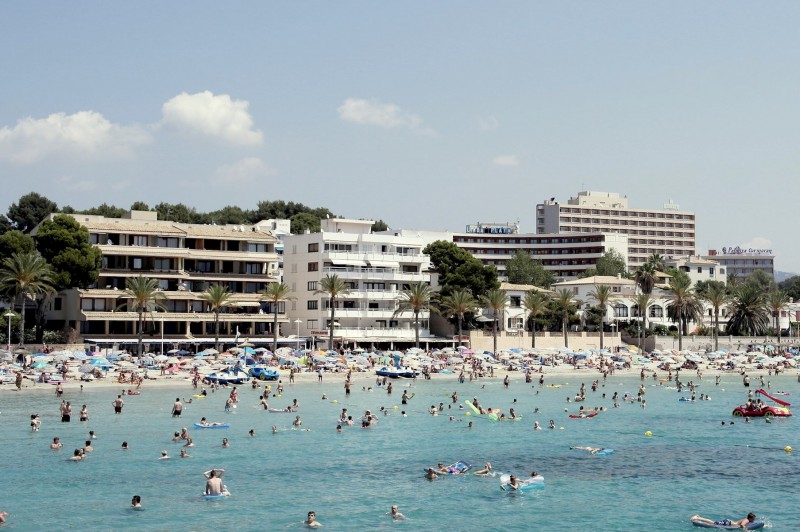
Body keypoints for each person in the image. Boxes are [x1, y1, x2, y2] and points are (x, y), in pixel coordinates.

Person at [690, 513, 756, 529]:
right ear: (750, 518)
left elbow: (742, 524)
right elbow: (742, 525)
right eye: (753, 518)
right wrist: (746, 530)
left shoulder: (748, 520)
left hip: (729, 522)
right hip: (728, 523)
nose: (754, 520)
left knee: (713, 523)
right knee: (713, 523)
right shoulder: (746, 520)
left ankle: (699, 518)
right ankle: (697, 517)